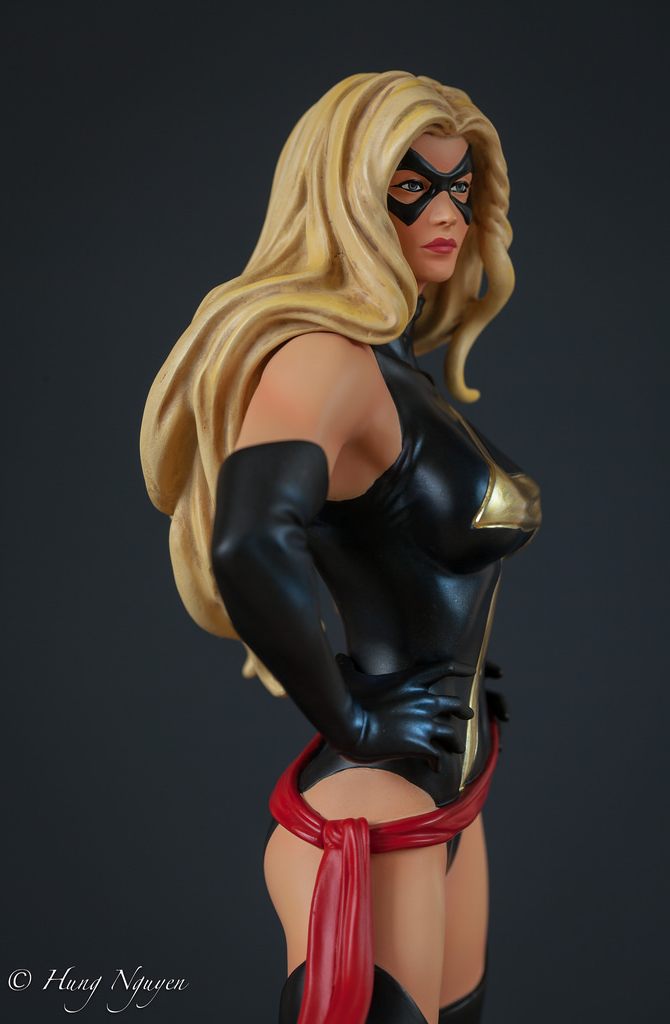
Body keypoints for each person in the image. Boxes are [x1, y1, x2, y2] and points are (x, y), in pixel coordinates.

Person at [140, 71, 541, 1024]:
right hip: (378, 804)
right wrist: (355, 721)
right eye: (413, 186)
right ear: (348, 194)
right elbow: (249, 541)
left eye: (459, 186)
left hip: (449, 788)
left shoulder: (400, 371)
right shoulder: (325, 359)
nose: (447, 213)